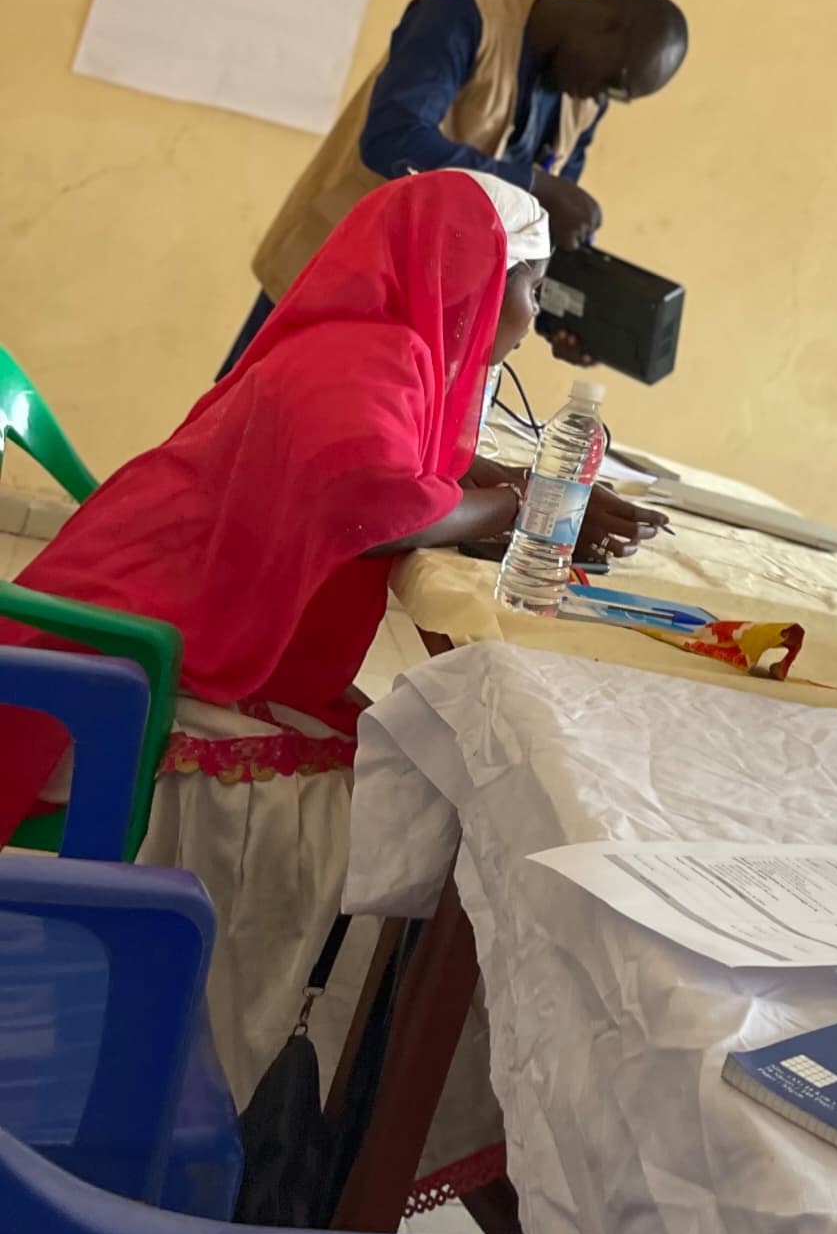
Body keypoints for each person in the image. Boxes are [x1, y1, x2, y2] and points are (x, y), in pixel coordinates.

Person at [0, 169, 654, 1100]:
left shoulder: (385, 348)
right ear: (467, 268)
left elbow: (409, 457)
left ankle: (321, 1067)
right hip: (121, 656)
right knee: (382, 809)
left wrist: (513, 488)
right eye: (530, 282)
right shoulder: (365, 357)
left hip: (155, 614)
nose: (536, 312)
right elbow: (373, 501)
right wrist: (512, 505)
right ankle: (254, 1072)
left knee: (396, 758)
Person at [221, 0, 689, 372]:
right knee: (232, 445)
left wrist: (562, 315)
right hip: (331, 285)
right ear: (606, 23)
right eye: (616, 84)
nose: (603, 98)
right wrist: (535, 185)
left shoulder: (581, 101)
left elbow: (531, 239)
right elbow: (394, 139)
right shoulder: (460, 17)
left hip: (423, 334)